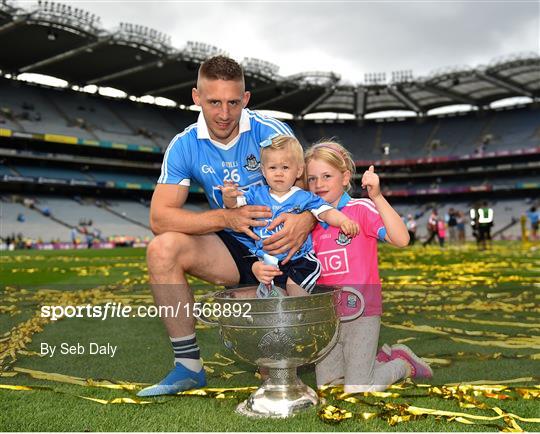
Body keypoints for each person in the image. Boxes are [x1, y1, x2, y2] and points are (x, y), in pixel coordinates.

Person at [138, 56, 317, 397]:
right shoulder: (185, 144)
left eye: (233, 102)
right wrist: (226, 217)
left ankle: (289, 325)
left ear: (246, 99)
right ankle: (188, 367)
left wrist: (305, 220)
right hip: (232, 246)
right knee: (162, 249)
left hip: (283, 247)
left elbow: (315, 188)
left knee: (276, 371)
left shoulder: (271, 131)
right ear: (196, 97)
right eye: (214, 102)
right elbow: (160, 218)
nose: (224, 113)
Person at [304, 141, 432, 394]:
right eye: (312, 179)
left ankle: (400, 364)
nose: (319, 184)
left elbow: (402, 240)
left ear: (345, 177)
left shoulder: (360, 210)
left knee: (358, 390)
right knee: (329, 389)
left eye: (326, 176)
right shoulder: (307, 219)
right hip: (325, 316)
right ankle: (372, 363)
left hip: (362, 312)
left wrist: (377, 197)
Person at [220, 135, 359, 296]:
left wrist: (344, 221)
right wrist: (229, 196)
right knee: (271, 299)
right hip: (268, 261)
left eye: (285, 168)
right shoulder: (255, 194)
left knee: (295, 292)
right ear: (263, 171)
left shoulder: (304, 197)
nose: (279, 173)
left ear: (299, 171)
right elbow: (234, 204)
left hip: (299, 260)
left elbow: (326, 212)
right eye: (273, 168)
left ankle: (305, 316)